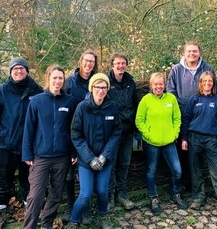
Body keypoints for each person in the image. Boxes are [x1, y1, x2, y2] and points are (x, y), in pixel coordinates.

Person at [0, 57, 43, 229]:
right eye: (15, 69)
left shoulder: (37, 91)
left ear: (27, 70)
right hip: (7, 146)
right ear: (10, 71)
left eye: (22, 68)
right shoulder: (1, 91)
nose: (19, 71)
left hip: (28, 147)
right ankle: (0, 214)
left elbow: (42, 118)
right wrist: (3, 135)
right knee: (3, 182)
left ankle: (30, 213)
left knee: (28, 182)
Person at [22, 65, 76, 229]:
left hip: (62, 156)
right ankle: (29, 226)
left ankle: (46, 224)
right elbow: (28, 129)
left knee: (56, 194)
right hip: (40, 157)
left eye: (61, 78)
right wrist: (27, 154)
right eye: (55, 78)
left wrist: (73, 151)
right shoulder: (37, 101)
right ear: (48, 79)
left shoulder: (69, 101)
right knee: (35, 196)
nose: (58, 81)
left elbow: (72, 129)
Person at [65, 73, 121, 229]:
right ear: (92, 88)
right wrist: (90, 158)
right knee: (85, 194)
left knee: (103, 191)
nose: (101, 90)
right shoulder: (82, 107)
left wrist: (104, 155)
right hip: (86, 160)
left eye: (104, 87)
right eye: (98, 87)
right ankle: (74, 220)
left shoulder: (112, 107)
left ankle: (104, 217)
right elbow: (75, 134)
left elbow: (116, 132)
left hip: (105, 159)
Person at [181, 71, 217, 221]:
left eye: (210, 81)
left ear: (213, 83)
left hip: (212, 140)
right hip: (194, 139)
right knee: (196, 170)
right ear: (200, 83)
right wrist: (184, 138)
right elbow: (186, 120)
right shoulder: (194, 99)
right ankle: (198, 197)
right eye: (204, 81)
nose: (207, 83)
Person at [136, 72, 188, 216]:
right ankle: (153, 198)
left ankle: (175, 193)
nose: (158, 86)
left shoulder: (171, 99)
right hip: (151, 143)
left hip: (169, 142)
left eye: (161, 84)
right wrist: (148, 134)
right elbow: (139, 120)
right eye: (156, 84)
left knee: (177, 171)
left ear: (164, 85)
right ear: (151, 85)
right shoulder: (146, 100)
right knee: (151, 171)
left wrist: (174, 133)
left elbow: (177, 118)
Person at [166, 41, 214, 190]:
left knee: (199, 154)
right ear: (184, 53)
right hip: (182, 118)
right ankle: (183, 183)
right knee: (183, 152)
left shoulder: (208, 69)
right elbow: (170, 92)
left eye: (195, 51)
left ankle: (199, 185)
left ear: (199, 52)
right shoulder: (176, 70)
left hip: (203, 119)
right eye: (189, 51)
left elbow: (213, 92)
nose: (192, 54)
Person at [63, 50, 98, 224]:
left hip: (89, 135)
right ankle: (70, 205)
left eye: (92, 61)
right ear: (80, 61)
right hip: (71, 133)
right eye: (86, 60)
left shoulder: (96, 82)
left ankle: (87, 208)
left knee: (87, 173)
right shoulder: (69, 82)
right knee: (69, 174)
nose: (88, 64)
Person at [106, 53, 138, 210]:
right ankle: (109, 196)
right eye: (117, 63)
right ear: (112, 65)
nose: (120, 66)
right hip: (111, 132)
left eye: (123, 63)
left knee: (124, 163)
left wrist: (135, 128)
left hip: (127, 130)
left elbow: (135, 103)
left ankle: (122, 195)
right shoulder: (106, 81)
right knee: (110, 164)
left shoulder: (130, 82)